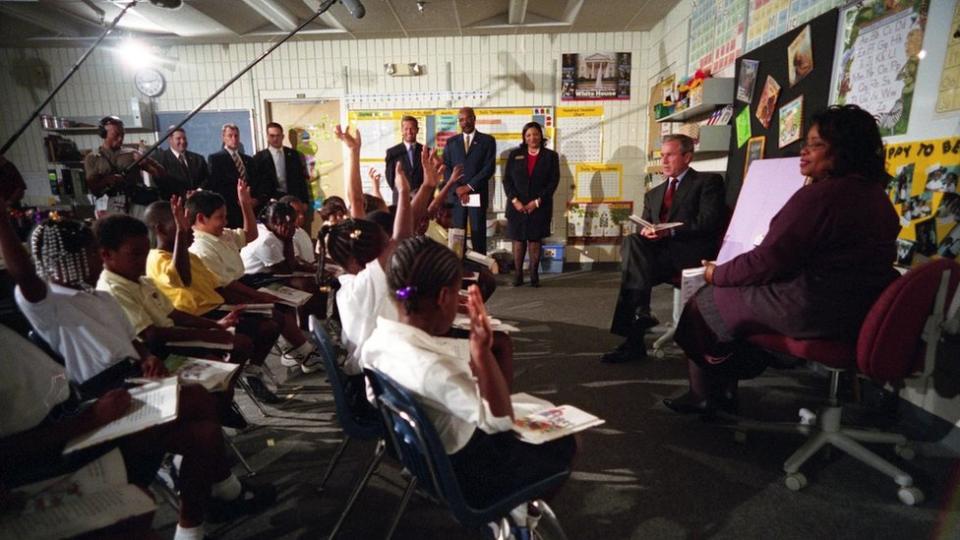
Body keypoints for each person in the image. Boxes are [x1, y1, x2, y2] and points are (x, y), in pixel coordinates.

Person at [663, 105, 901, 415]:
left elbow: (767, 261)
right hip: (856, 310)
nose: (804, 151)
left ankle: (705, 393)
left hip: (811, 306)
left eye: (816, 144)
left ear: (843, 151)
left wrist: (714, 274)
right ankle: (724, 389)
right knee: (730, 303)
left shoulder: (821, 196)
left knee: (704, 303)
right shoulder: (877, 197)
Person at [361, 236, 574, 509]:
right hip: (463, 474)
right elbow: (499, 422)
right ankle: (521, 519)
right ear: (443, 297)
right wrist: (481, 353)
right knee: (569, 440)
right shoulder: (437, 370)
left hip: (420, 455)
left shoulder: (376, 342)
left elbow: (376, 394)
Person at [142, 200, 291, 396]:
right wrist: (181, 233)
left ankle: (250, 371)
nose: (190, 229)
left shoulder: (190, 256)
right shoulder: (157, 258)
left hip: (217, 309)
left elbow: (219, 286)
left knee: (274, 318)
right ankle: (225, 392)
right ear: (161, 229)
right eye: (182, 225)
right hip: (197, 317)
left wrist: (253, 301)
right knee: (244, 341)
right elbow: (181, 278)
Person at [601, 134, 725, 364]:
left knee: (633, 273)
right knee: (632, 241)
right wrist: (646, 232)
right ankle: (641, 315)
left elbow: (709, 222)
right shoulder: (654, 193)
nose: (664, 161)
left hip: (689, 254)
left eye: (670, 155)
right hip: (658, 256)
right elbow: (646, 224)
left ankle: (635, 339)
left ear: (687, 157)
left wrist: (671, 231)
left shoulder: (708, 183)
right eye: (662, 156)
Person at [184, 187, 322, 373]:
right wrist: (257, 296)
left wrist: (245, 205)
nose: (225, 221)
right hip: (224, 297)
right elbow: (226, 285)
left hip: (243, 283)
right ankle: (264, 366)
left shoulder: (221, 234)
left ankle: (298, 351)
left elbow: (249, 234)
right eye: (220, 217)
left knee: (284, 303)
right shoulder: (201, 247)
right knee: (273, 318)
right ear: (201, 219)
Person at [502, 121, 560, 288]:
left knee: (535, 239)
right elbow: (507, 180)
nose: (532, 137)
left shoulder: (551, 156)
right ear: (524, 138)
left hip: (539, 206)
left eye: (535, 134)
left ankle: (534, 274)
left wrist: (536, 201)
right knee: (518, 240)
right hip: (516, 206)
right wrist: (515, 200)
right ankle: (518, 274)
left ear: (541, 136)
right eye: (528, 135)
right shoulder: (515, 155)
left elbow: (553, 182)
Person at [83, 116, 166, 219]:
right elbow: (93, 188)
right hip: (113, 204)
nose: (120, 138)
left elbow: (160, 173)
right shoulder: (93, 158)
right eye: (116, 135)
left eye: (122, 135)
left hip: (138, 203)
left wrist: (147, 161)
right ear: (103, 134)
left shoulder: (132, 153)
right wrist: (107, 180)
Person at [443, 107, 496, 254]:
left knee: (478, 234)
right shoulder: (451, 142)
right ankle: (458, 269)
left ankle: (481, 271)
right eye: (461, 120)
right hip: (456, 196)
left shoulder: (488, 141)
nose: (465, 122)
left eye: (468, 118)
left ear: (474, 119)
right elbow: (446, 169)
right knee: (457, 236)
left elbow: (488, 169)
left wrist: (468, 187)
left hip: (476, 194)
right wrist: (458, 190)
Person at [205, 123, 257, 228]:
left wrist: (254, 199)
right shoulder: (216, 159)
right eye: (230, 136)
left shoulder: (248, 160)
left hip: (250, 208)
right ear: (223, 137)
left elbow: (255, 181)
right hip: (231, 209)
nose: (234, 139)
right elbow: (216, 185)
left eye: (236, 136)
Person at [252, 122, 311, 213]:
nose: (275, 139)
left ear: (282, 137)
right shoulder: (259, 158)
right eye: (272, 136)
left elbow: (301, 179)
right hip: (270, 204)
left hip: (292, 202)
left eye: (278, 135)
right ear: (267, 137)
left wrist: (305, 202)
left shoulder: (294, 155)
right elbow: (256, 183)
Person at [156, 127, 209, 198]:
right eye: (178, 138)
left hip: (197, 203)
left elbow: (207, 178)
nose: (183, 141)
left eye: (184, 138)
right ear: (170, 140)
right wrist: (184, 195)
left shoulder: (198, 159)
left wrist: (198, 191)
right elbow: (163, 183)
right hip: (174, 203)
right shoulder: (161, 160)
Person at [384, 115, 425, 202]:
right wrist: (402, 190)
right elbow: (390, 177)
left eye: (412, 128)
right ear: (402, 131)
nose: (409, 132)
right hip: (400, 199)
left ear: (417, 130)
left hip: (422, 197)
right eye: (406, 129)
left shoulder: (425, 151)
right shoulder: (392, 152)